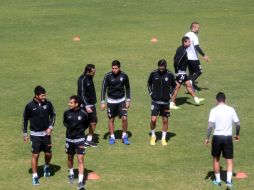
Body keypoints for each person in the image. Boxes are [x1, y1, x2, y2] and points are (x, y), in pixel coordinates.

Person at [205, 92, 240, 189]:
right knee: (229, 160)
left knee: (216, 159)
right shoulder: (231, 109)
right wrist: (237, 135)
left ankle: (218, 181)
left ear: (216, 100)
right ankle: (229, 181)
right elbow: (238, 124)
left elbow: (210, 126)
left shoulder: (213, 110)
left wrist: (207, 138)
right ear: (226, 99)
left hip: (217, 137)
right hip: (228, 137)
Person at [23, 86, 56, 186]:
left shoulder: (48, 104)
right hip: (35, 135)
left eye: (44, 95)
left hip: (46, 134)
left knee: (48, 154)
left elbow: (53, 115)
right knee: (35, 155)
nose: (44, 97)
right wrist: (25, 133)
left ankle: (46, 166)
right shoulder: (29, 106)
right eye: (42, 95)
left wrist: (50, 127)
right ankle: (35, 176)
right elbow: (25, 119)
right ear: (36, 95)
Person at [101, 60, 131, 145]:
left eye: (116, 68)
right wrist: (103, 102)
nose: (114, 70)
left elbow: (128, 88)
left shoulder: (124, 75)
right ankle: (112, 136)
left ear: (119, 68)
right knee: (111, 119)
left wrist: (128, 100)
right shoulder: (107, 76)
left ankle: (124, 135)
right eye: (113, 68)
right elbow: (103, 89)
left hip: (121, 100)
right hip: (111, 101)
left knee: (124, 118)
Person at [170, 36, 205, 109]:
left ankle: (196, 99)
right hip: (180, 73)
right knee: (177, 87)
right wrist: (177, 72)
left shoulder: (183, 49)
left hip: (183, 72)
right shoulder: (182, 51)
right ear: (184, 42)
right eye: (189, 42)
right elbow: (176, 61)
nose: (190, 43)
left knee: (188, 84)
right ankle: (172, 103)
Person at [63, 95, 90, 190]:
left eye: (71, 102)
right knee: (70, 157)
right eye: (69, 102)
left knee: (80, 159)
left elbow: (87, 124)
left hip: (80, 140)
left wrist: (79, 131)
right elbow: (65, 123)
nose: (69, 104)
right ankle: (71, 173)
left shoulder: (84, 114)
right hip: (69, 140)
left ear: (77, 104)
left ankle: (80, 182)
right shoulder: (66, 113)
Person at [147, 59, 176, 146]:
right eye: (159, 68)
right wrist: (151, 93)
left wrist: (171, 94)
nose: (161, 70)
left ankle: (163, 138)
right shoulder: (154, 73)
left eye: (162, 68)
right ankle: (153, 135)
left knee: (165, 120)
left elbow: (174, 85)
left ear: (165, 67)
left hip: (165, 102)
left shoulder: (170, 74)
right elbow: (148, 83)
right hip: (155, 101)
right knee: (153, 119)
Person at [78, 64, 98, 147]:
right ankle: (79, 140)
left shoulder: (90, 77)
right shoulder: (82, 80)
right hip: (84, 105)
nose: (94, 73)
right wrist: (86, 106)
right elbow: (81, 94)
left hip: (92, 104)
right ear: (87, 72)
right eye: (93, 72)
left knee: (94, 122)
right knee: (82, 123)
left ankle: (88, 140)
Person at [185, 21, 209, 90]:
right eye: (198, 28)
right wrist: (204, 55)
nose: (199, 29)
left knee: (191, 73)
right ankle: (189, 82)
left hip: (186, 57)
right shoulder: (194, 36)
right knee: (199, 71)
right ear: (194, 28)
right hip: (193, 58)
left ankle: (190, 88)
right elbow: (197, 47)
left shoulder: (186, 34)